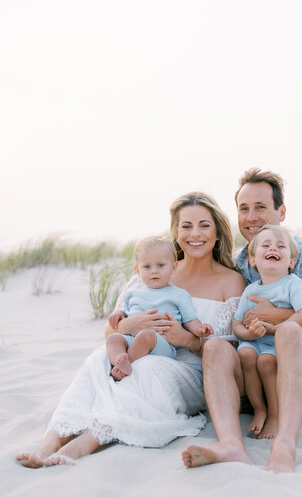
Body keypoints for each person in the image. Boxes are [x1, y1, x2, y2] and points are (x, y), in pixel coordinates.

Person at [16, 192, 245, 468]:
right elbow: (111, 330)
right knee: (97, 359)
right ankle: (48, 444)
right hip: (134, 350)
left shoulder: (231, 281)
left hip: (189, 370)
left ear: (218, 232)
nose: (195, 233)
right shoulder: (153, 270)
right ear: (176, 232)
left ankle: (83, 444)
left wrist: (186, 338)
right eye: (186, 226)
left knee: (146, 371)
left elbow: (229, 354)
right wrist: (130, 325)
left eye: (204, 225)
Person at [182, 168, 302, 473]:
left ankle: (285, 445)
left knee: (289, 331)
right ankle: (231, 445)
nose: (251, 216)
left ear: (281, 212)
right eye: (244, 208)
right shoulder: (239, 260)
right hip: (254, 371)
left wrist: (278, 316)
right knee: (215, 348)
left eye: (261, 207)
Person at [234, 224, 302, 439]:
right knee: (245, 354)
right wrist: (249, 334)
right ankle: (259, 409)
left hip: (277, 344)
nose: (274, 249)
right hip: (254, 341)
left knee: (266, 363)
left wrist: (277, 329)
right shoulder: (251, 291)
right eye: (266, 245)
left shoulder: (292, 285)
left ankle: (275, 414)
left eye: (281, 246)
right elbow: (237, 324)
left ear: (291, 262)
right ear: (253, 260)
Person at [106, 236, 213, 381]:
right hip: (132, 338)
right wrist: (118, 313)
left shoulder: (179, 294)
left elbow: (190, 320)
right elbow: (126, 311)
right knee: (113, 339)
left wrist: (200, 329)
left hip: (161, 344)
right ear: (137, 270)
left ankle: (125, 367)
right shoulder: (133, 291)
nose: (154, 271)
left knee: (146, 335)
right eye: (147, 267)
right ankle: (119, 360)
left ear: (173, 267)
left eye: (161, 265)